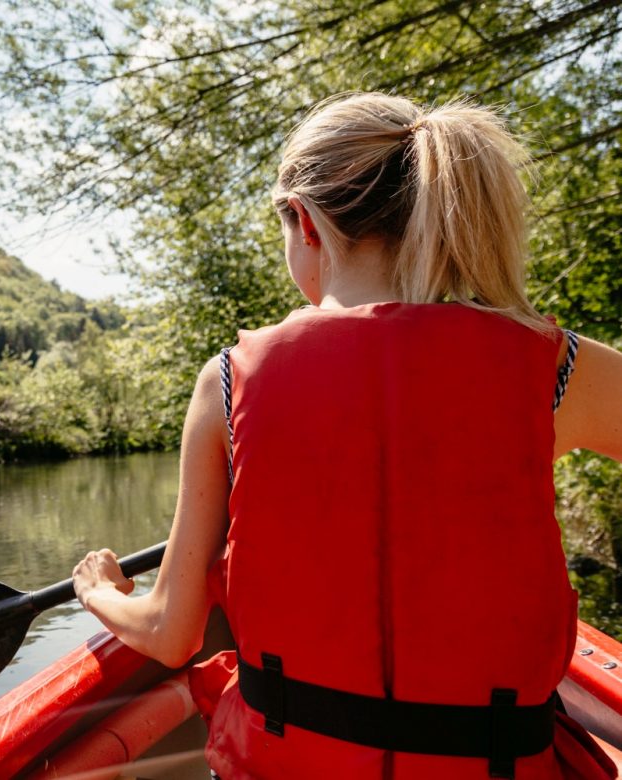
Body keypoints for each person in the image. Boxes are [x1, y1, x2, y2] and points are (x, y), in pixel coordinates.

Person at [72, 93, 622, 779]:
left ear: (304, 223)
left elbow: (170, 631)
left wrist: (98, 590)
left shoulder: (226, 384)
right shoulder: (555, 368)